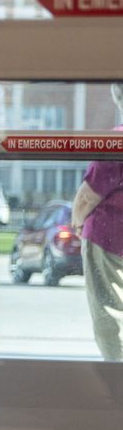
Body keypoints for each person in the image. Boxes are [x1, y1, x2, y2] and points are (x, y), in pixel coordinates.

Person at [72, 83, 123, 362]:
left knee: (110, 316)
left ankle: (118, 386)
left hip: (110, 239)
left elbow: (87, 197)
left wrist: (77, 223)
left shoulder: (117, 141)